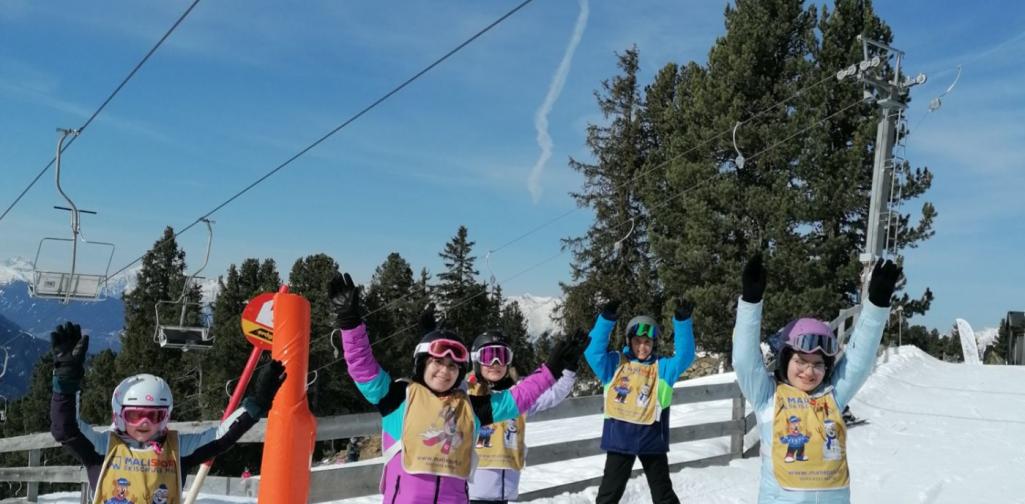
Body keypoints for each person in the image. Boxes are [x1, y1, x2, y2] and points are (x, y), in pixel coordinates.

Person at [329, 273, 580, 504]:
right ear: (422, 364)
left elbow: (519, 397)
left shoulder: (470, 408)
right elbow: (363, 368)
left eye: (452, 366)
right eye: (437, 362)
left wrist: (552, 369)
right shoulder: (398, 399)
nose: (445, 370)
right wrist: (350, 324)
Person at [48, 322, 286, 504]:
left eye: (155, 416)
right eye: (134, 415)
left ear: (166, 417)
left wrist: (256, 404)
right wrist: (65, 381)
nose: (144, 423)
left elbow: (222, 437)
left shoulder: (177, 450)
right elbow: (65, 429)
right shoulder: (102, 447)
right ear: (119, 415)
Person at [732, 254, 900, 503]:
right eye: (800, 361)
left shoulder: (833, 396)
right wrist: (750, 303)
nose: (809, 372)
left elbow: (858, 362)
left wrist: (876, 305)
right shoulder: (767, 396)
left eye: (818, 364)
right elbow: (745, 360)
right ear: (785, 360)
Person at [585, 299, 697, 504]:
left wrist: (682, 323)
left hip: (652, 440)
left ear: (654, 343)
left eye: (647, 342)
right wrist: (606, 320)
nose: (642, 347)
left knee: (663, 495)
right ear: (629, 341)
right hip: (620, 440)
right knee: (608, 495)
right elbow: (592, 352)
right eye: (637, 341)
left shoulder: (663, 368)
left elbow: (685, 356)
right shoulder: (614, 364)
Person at [467, 329, 582, 504]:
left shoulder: (518, 395)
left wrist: (569, 368)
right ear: (476, 359)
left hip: (505, 491)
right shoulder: (466, 394)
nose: (495, 363)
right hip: (472, 491)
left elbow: (553, 394)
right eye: (488, 356)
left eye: (502, 356)